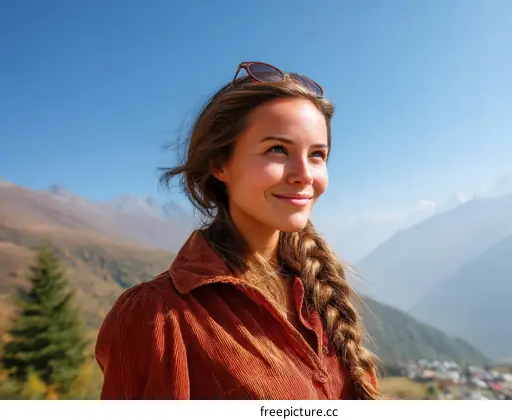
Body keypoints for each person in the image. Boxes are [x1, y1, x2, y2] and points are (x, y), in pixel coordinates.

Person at [95, 61, 380, 400]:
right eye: (278, 149)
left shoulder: (319, 291)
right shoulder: (156, 317)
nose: (304, 174)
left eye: (317, 155)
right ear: (220, 163)